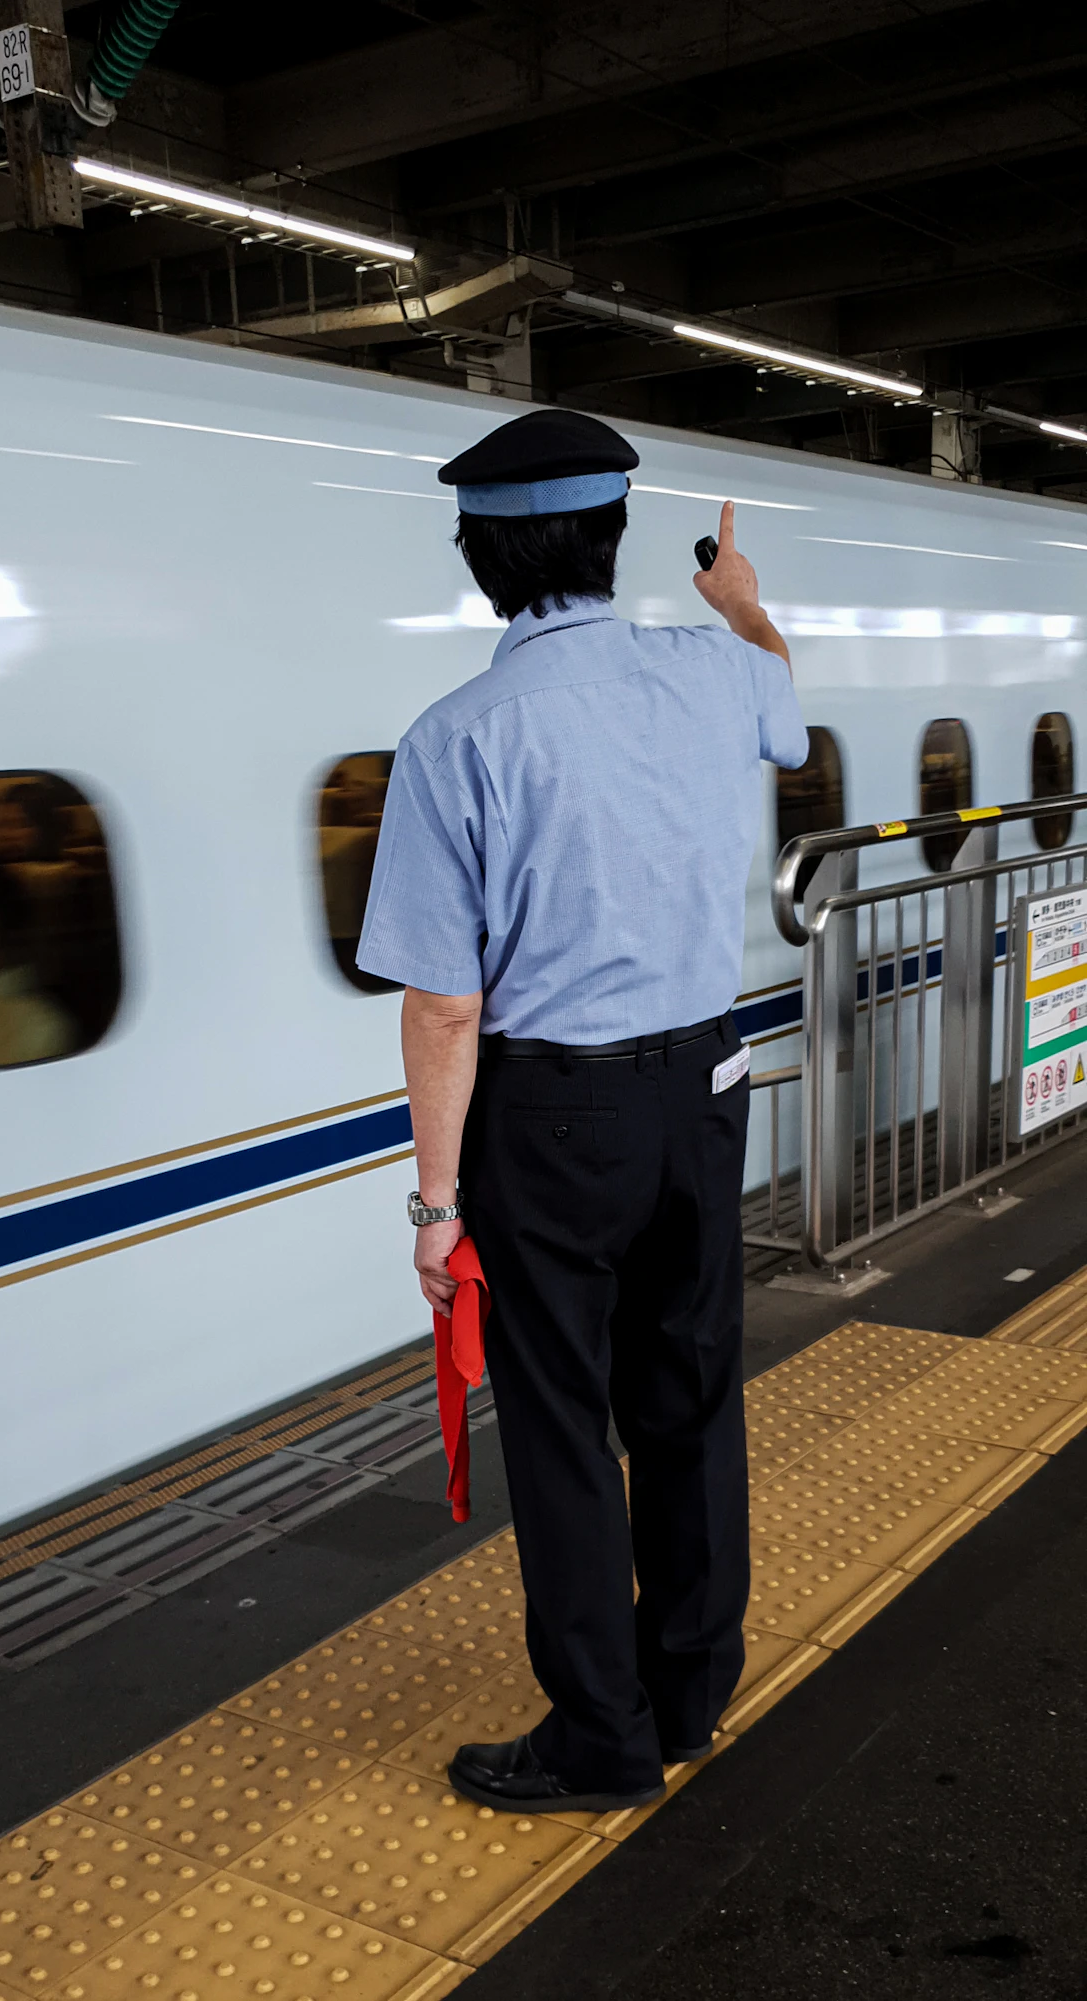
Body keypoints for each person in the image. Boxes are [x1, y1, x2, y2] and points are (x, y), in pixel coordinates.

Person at [357, 406, 807, 1814]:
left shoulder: (456, 739)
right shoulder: (713, 674)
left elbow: (443, 1008)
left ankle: (599, 1739)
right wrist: (740, 605)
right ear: (614, 541)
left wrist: (437, 1210)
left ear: (484, 558)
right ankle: (688, 1695)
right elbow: (785, 711)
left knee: (562, 1426)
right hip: (706, 1091)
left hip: (553, 1125)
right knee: (690, 1402)